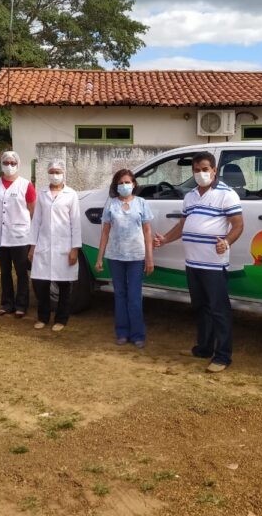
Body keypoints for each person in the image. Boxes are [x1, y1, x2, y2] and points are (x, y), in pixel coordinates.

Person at [153, 151, 243, 372]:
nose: (201, 173)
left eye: (205, 169)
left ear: (214, 170)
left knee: (218, 309)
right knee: (201, 307)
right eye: (196, 170)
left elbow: (238, 225)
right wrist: (165, 239)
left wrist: (227, 242)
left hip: (213, 263)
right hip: (193, 263)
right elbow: (183, 226)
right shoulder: (190, 196)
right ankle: (204, 348)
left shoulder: (227, 194)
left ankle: (222, 355)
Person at [95, 169, 155, 348]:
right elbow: (105, 232)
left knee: (135, 296)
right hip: (115, 256)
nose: (124, 186)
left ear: (134, 184)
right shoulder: (111, 204)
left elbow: (147, 232)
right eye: (121, 183)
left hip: (136, 256)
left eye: (127, 182)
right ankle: (121, 331)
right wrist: (99, 258)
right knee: (119, 295)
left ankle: (138, 334)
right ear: (116, 185)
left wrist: (150, 258)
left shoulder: (142, 203)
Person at [28, 159, 81, 331]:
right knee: (40, 283)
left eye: (58, 172)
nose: (55, 175)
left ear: (64, 173)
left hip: (64, 246)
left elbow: (76, 223)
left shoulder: (71, 194)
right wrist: (32, 245)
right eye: (52, 171)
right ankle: (43, 316)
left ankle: (61, 319)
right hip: (43, 244)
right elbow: (36, 221)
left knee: (64, 284)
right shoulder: (41, 193)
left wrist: (74, 248)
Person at [0, 150, 36, 319]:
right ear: (1, 164)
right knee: (4, 271)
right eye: (6, 163)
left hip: (20, 235)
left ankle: (21, 305)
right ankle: (6, 303)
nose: (9, 166)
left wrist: (33, 236)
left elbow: (33, 210)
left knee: (21, 271)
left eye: (13, 163)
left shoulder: (25, 185)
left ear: (18, 165)